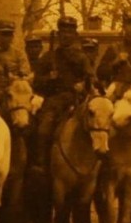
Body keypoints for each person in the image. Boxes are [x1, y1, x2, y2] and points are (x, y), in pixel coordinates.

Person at [27, 16, 94, 180]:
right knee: (43, 128)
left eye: (70, 31)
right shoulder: (49, 57)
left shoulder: (81, 57)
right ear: (58, 34)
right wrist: (50, 78)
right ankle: (41, 163)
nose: (66, 35)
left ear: (74, 35)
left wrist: (83, 85)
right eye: (63, 31)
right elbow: (36, 82)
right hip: (54, 100)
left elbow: (91, 78)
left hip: (76, 99)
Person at [0, 19, 33, 116]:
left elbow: (25, 72)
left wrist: (16, 78)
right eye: (3, 34)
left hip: (14, 89)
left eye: (9, 34)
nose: (6, 38)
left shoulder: (18, 53)